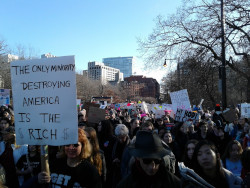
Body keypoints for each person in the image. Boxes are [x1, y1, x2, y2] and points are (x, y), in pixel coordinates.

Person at [117, 131, 181, 188]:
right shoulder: (126, 185)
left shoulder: (174, 183)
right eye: (147, 161)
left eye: (157, 161)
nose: (152, 167)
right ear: (138, 158)